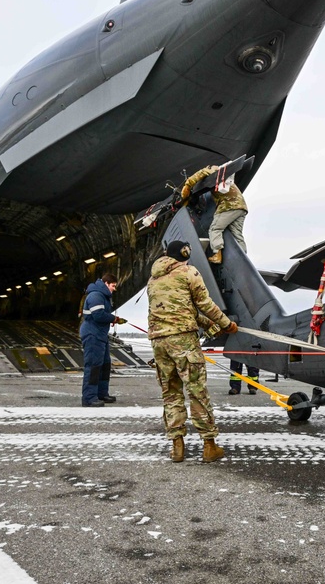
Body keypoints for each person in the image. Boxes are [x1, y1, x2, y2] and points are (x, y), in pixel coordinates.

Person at [147, 239, 237, 463]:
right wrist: (226, 324)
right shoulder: (188, 272)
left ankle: (177, 447)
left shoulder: (153, 279)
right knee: (197, 391)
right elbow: (204, 303)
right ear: (185, 253)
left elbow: (184, 309)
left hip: (159, 342)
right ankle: (209, 446)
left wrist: (208, 325)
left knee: (171, 393)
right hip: (184, 341)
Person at [181, 165, 247, 264]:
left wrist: (188, 185)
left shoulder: (216, 172)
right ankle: (244, 260)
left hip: (228, 205)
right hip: (241, 207)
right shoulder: (225, 178)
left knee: (215, 229)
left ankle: (217, 254)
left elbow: (203, 172)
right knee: (237, 235)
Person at [80, 273, 126, 407]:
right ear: (106, 284)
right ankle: (89, 398)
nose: (114, 289)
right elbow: (98, 315)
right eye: (113, 286)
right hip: (93, 335)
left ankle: (101, 393)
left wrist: (112, 319)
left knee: (105, 365)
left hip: (100, 335)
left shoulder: (102, 296)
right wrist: (114, 319)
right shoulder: (96, 295)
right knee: (94, 366)